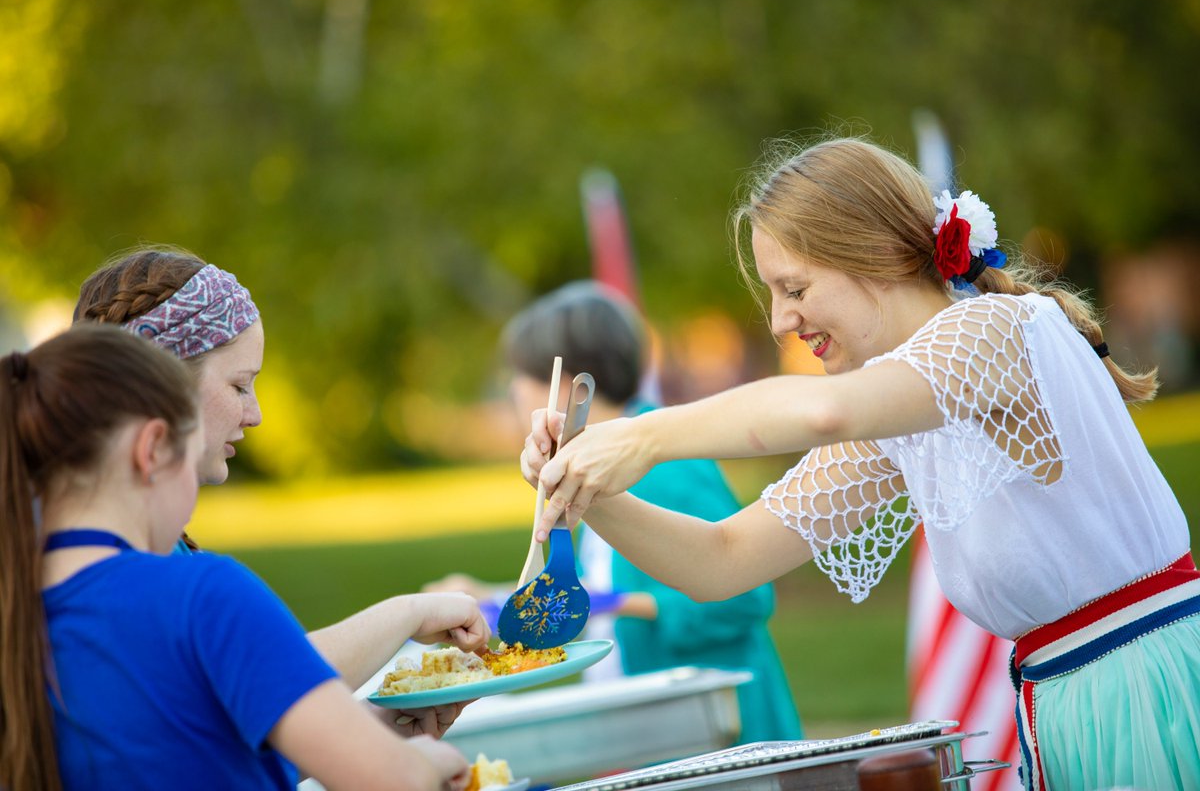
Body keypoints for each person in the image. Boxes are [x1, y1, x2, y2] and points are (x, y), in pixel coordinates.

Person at [519, 138, 1200, 791]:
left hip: (1146, 685)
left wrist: (644, 436)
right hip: (1064, 704)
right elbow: (723, 560)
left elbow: (825, 413)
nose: (781, 322)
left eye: (794, 288)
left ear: (873, 254)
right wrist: (588, 488)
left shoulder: (992, 332)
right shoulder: (901, 413)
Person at [0, 325, 469, 791]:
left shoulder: (17, 615)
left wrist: (353, 735)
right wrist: (425, 761)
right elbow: (395, 780)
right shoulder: (203, 594)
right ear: (151, 450)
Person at [73, 246, 488, 729]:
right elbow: (272, 670)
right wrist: (410, 614)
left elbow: (213, 737)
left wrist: (381, 730)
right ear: (166, 389)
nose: (255, 414)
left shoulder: (119, 548)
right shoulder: (137, 570)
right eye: (239, 385)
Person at [427, 281, 802, 744]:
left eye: (521, 375)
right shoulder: (589, 468)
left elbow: (747, 599)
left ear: (561, 383)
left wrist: (617, 604)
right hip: (656, 729)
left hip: (726, 732)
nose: (511, 388)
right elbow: (585, 591)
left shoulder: (666, 465)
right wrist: (488, 598)